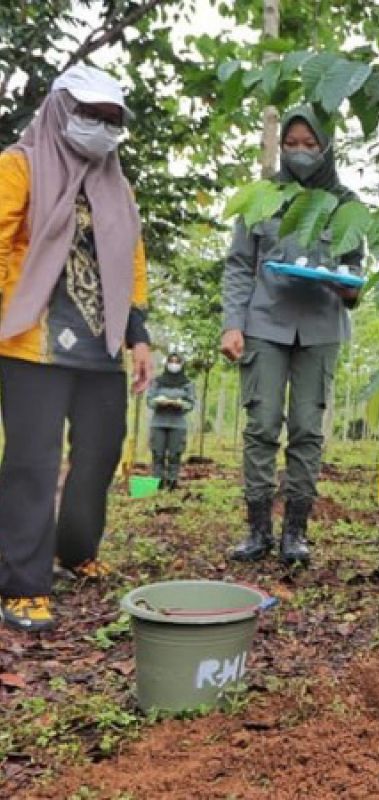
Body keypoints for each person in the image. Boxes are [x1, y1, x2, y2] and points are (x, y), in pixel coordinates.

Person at [0, 65, 152, 632]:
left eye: (112, 119)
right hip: (31, 341)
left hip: (99, 344)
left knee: (99, 454)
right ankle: (23, 583)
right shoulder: (19, 168)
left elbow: (130, 262)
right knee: (32, 464)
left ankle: (75, 548)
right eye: (92, 114)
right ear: (62, 109)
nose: (102, 127)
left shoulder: (116, 183)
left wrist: (138, 336)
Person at [220, 106, 362, 566]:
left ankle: (295, 533)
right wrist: (232, 322)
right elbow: (241, 264)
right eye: (292, 144)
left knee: (306, 429)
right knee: (261, 425)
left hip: (321, 326)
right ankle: (258, 529)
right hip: (265, 323)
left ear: (326, 148)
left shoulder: (345, 203)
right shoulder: (262, 198)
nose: (300, 153)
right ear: (281, 147)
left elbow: (355, 268)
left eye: (310, 144)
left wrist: (346, 285)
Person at [146, 351, 195, 490]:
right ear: (166, 364)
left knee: (175, 454)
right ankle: (157, 481)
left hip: (178, 424)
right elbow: (149, 400)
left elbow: (191, 403)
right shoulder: (157, 382)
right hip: (158, 423)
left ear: (181, 364)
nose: (174, 364)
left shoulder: (187, 383)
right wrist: (159, 402)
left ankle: (173, 481)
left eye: (177, 362)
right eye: (171, 361)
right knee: (158, 454)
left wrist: (180, 404)